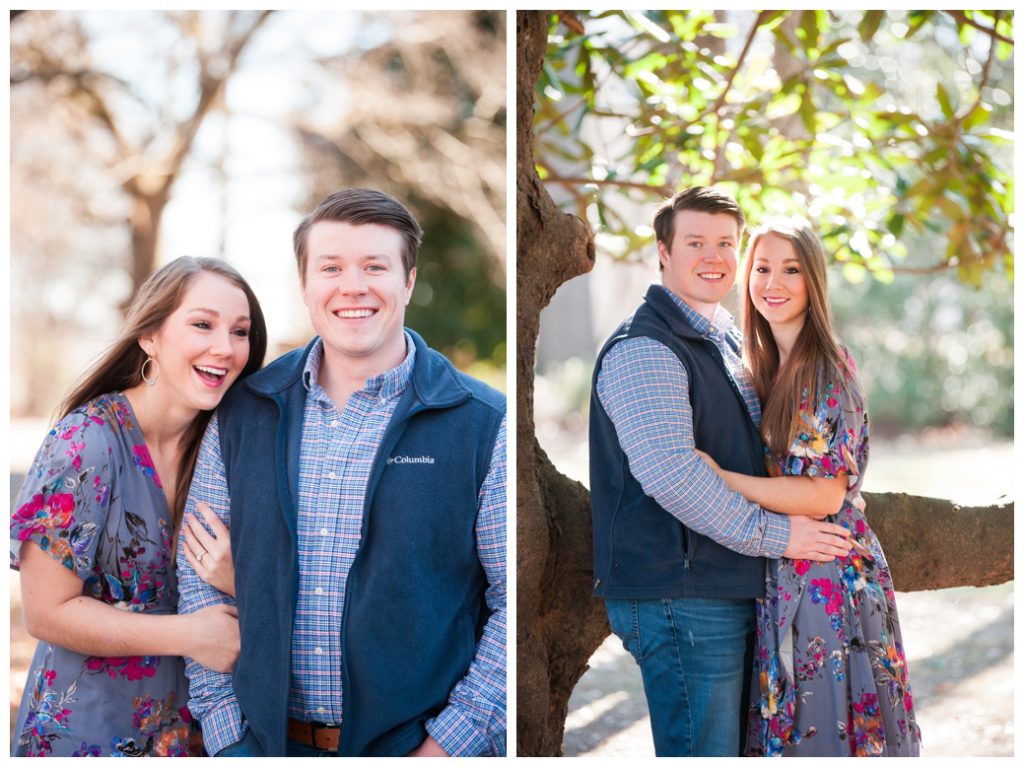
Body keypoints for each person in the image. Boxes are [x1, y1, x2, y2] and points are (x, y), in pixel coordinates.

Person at [176, 188, 507, 757]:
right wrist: (229, 738)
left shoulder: (479, 422)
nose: (352, 286)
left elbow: (510, 600)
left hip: (414, 746)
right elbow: (197, 578)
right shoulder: (243, 412)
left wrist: (448, 747)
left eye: (375, 266)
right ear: (304, 286)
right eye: (331, 267)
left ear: (407, 281)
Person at [589, 186, 854, 757]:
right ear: (663, 251)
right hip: (680, 595)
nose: (713, 257)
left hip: (725, 585)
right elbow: (674, 478)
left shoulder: (726, 342)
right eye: (695, 242)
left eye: (725, 244)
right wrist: (784, 534)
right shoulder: (646, 349)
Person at [10, 257, 268, 756]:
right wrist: (190, 634)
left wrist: (241, 580)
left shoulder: (230, 449)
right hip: (88, 729)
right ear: (149, 335)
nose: (226, 347)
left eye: (241, 331)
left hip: (197, 733)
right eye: (202, 324)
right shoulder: (86, 443)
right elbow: (45, 612)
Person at [694, 217, 921, 756]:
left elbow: (824, 494)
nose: (773, 283)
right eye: (763, 268)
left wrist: (723, 481)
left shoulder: (822, 365)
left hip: (826, 571)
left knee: (822, 726)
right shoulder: (765, 363)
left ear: (812, 281)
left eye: (790, 270)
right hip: (790, 561)